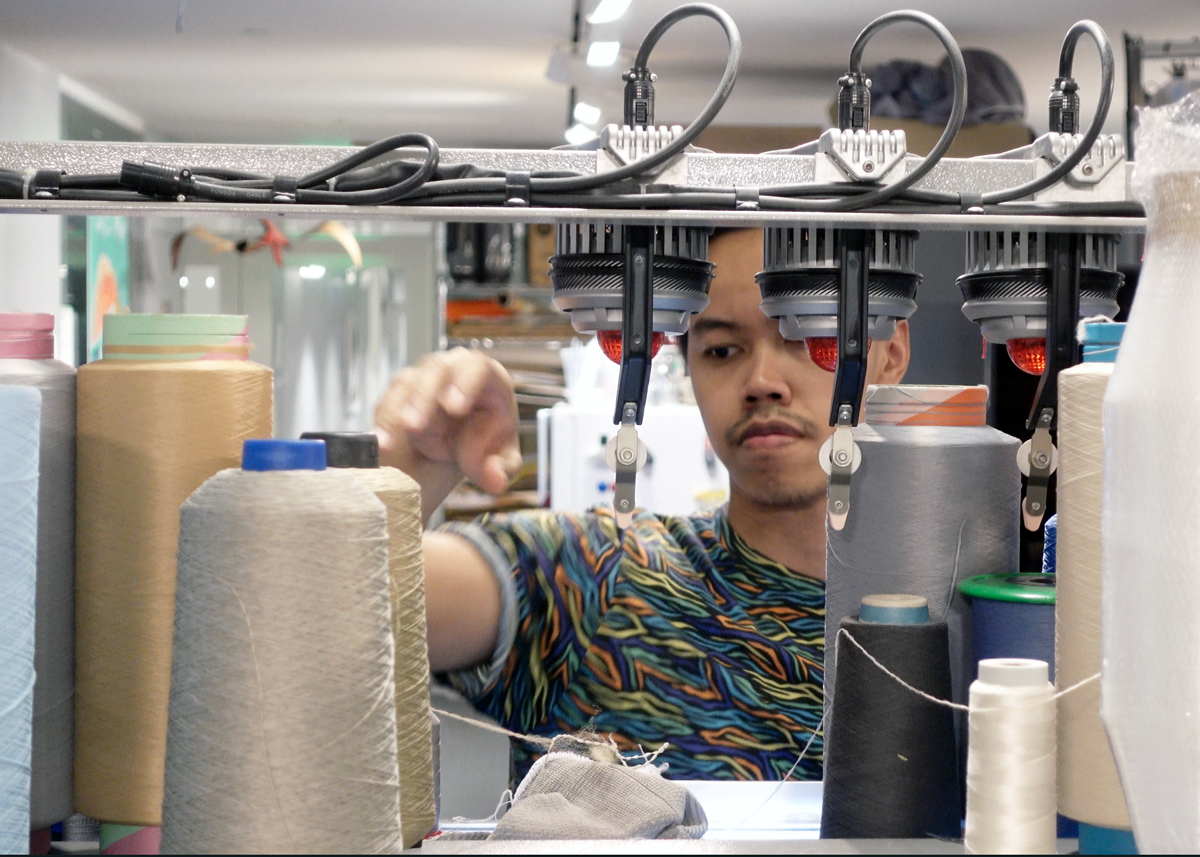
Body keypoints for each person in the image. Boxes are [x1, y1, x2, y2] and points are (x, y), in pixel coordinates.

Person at [375, 228, 910, 781]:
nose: (761, 382)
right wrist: (411, 472)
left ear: (889, 355)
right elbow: (338, 605)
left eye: (806, 337)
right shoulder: (600, 578)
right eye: (722, 350)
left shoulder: (966, 612)